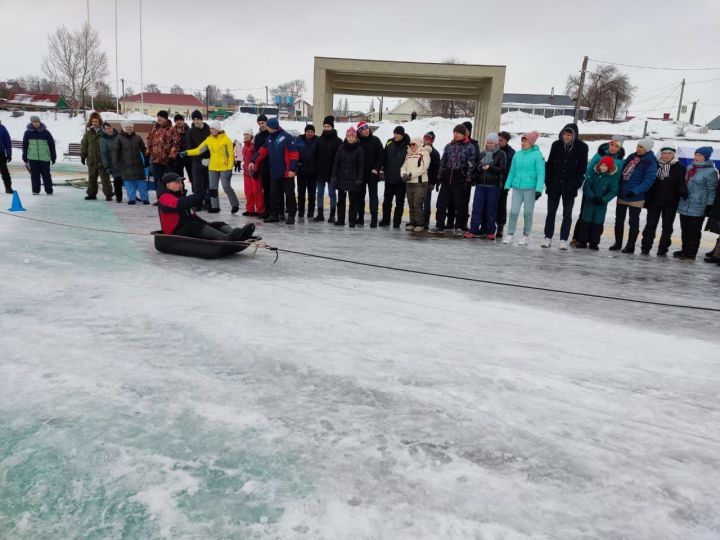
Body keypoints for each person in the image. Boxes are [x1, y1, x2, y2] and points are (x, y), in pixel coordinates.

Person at [157, 172, 255, 241]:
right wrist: (202, 195)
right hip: (173, 233)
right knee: (193, 226)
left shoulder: (178, 196)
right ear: (168, 185)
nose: (181, 184)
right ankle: (227, 238)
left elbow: (192, 216)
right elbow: (180, 203)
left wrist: (208, 225)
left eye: (181, 182)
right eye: (177, 182)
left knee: (216, 224)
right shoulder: (164, 198)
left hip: (184, 228)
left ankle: (238, 234)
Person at [541, 123, 588, 250]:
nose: (566, 137)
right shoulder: (556, 145)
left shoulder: (582, 147)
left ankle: (563, 239)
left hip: (569, 187)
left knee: (567, 214)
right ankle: (548, 237)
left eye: (569, 135)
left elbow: (582, 168)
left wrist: (576, 184)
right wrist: (548, 183)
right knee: (551, 212)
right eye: (565, 134)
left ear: (574, 136)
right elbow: (550, 164)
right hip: (554, 185)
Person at [573, 135, 626, 244]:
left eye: (616, 146)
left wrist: (606, 197)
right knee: (584, 213)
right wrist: (588, 187)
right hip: (591, 190)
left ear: (619, 148)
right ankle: (577, 237)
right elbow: (589, 170)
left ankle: (593, 240)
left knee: (598, 217)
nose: (612, 147)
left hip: (605, 192)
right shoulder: (599, 155)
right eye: (611, 144)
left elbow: (618, 176)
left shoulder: (620, 161)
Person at [610, 138, 657, 253]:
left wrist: (635, 191)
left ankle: (630, 245)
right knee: (619, 220)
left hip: (636, 196)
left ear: (647, 149)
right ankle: (618, 243)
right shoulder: (632, 157)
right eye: (638, 146)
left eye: (641, 147)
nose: (638, 149)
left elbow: (649, 180)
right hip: (623, 193)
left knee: (633, 221)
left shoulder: (651, 162)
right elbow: (622, 173)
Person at [182, 121, 239, 214]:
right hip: (212, 167)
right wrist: (187, 152)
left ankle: (235, 204)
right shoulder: (209, 139)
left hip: (224, 167)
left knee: (226, 187)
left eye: (213, 129)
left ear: (218, 129)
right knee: (212, 188)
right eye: (210, 129)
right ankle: (215, 207)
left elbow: (231, 155)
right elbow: (199, 150)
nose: (211, 130)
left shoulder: (226, 139)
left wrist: (229, 168)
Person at [249, 117, 299, 225]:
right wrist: (253, 160)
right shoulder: (270, 138)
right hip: (275, 173)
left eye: (267, 126)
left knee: (289, 195)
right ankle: (274, 215)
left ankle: (291, 216)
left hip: (286, 173)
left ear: (272, 127)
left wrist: (292, 169)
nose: (265, 127)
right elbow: (262, 151)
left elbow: (294, 154)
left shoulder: (287, 137)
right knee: (274, 195)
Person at [431, 124, 476, 234]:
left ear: (464, 135)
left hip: (459, 179)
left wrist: (468, 179)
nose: (455, 135)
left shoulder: (470, 147)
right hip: (447, 178)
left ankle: (459, 226)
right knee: (441, 203)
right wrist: (439, 177)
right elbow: (443, 162)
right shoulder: (449, 146)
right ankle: (439, 224)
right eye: (454, 133)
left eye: (458, 133)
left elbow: (471, 165)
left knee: (459, 205)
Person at [675, 146, 718, 260]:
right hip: (685, 203)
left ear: (706, 157)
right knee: (685, 230)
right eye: (696, 155)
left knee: (694, 231)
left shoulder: (711, 171)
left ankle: (691, 253)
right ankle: (684, 250)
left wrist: (709, 205)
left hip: (699, 205)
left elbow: (712, 190)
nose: (697, 157)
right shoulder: (690, 167)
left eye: (700, 155)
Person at [502, 130, 544, 246]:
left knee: (528, 213)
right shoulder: (518, 154)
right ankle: (510, 234)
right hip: (517, 188)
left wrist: (539, 190)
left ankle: (526, 236)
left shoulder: (537, 155)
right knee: (514, 211)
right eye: (522, 141)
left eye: (525, 141)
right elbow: (512, 171)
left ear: (531, 142)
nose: (523, 143)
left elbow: (541, 174)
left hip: (530, 188)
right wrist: (507, 186)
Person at [640, 146, 684, 256]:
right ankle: (645, 247)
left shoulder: (680, 168)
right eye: (664, 153)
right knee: (650, 225)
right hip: (654, 201)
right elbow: (649, 182)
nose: (666, 156)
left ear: (674, 155)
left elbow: (681, 184)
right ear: (661, 154)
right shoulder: (654, 165)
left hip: (670, 203)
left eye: (669, 153)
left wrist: (682, 190)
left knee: (667, 227)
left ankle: (663, 249)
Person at [465, 132, 506, 240]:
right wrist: (479, 168)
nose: (489, 144)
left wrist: (490, 167)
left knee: (491, 210)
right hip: (481, 185)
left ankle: (490, 231)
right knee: (476, 209)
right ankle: (473, 230)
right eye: (487, 142)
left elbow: (501, 169)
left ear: (496, 143)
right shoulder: (482, 154)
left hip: (493, 186)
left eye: (491, 142)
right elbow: (476, 168)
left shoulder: (501, 154)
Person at [577, 156, 620, 250]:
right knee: (585, 222)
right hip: (590, 202)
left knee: (597, 224)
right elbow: (586, 186)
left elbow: (613, 191)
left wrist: (604, 199)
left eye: (605, 166)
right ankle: (582, 241)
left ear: (609, 167)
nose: (603, 167)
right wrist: (592, 196)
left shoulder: (612, 178)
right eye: (602, 165)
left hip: (601, 205)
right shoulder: (593, 174)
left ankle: (594, 243)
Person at [331, 127, 365, 227]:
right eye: (349, 136)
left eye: (352, 136)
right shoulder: (341, 147)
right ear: (346, 137)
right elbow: (336, 163)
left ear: (355, 137)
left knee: (353, 202)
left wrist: (359, 178)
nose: (350, 138)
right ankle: (340, 220)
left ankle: (352, 221)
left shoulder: (359, 149)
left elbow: (361, 165)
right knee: (340, 202)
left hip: (353, 179)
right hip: (341, 178)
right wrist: (334, 175)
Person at [146, 110, 181, 203]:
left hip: (167, 160)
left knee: (168, 181)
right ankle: (160, 199)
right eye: (158, 117)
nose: (159, 119)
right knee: (158, 180)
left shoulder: (172, 129)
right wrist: (148, 153)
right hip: (156, 160)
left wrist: (172, 156)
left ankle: (170, 199)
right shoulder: (153, 128)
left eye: (161, 117)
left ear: (166, 118)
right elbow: (149, 141)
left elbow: (176, 143)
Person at [112, 120, 149, 205]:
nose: (129, 129)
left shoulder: (138, 137)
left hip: (138, 164)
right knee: (129, 183)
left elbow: (144, 150)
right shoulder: (118, 138)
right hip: (125, 165)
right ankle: (131, 199)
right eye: (127, 127)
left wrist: (146, 160)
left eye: (130, 127)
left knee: (141, 183)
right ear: (123, 128)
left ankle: (145, 198)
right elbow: (115, 152)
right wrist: (116, 164)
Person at [380, 126, 410, 228]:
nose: (395, 135)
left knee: (399, 202)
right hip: (389, 178)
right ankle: (385, 220)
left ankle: (397, 222)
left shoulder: (407, 145)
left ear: (402, 135)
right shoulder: (389, 142)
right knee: (387, 201)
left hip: (401, 180)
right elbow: (384, 157)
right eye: (394, 133)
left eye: (398, 134)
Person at [313, 116, 341, 223]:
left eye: (328, 126)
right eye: (324, 126)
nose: (326, 128)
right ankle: (320, 214)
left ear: (332, 127)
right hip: (320, 172)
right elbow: (315, 156)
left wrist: (336, 172)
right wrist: (316, 170)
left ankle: (332, 215)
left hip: (332, 173)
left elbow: (339, 159)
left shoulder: (338, 141)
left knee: (332, 194)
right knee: (319, 193)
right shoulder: (319, 140)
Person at [80, 112, 114, 201]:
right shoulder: (88, 133)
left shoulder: (104, 132)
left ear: (100, 121)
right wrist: (83, 156)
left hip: (103, 160)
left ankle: (108, 194)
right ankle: (91, 194)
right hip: (92, 160)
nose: (95, 123)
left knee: (105, 179)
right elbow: (84, 145)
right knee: (92, 178)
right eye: (93, 121)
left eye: (96, 121)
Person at [356, 121, 384, 227]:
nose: (366, 130)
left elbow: (381, 155)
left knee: (373, 197)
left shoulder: (375, 140)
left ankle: (374, 219)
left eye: (367, 128)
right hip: (360, 175)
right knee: (360, 197)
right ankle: (360, 217)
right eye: (363, 129)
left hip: (372, 173)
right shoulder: (357, 142)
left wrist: (376, 168)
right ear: (359, 132)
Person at [400, 138, 430, 232]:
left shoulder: (424, 153)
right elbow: (403, 166)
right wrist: (403, 174)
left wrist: (411, 175)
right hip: (409, 183)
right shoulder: (408, 155)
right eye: (410, 144)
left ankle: (420, 224)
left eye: (413, 144)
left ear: (418, 144)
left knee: (418, 204)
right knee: (411, 204)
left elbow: (424, 167)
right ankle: (412, 222)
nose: (412, 146)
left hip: (420, 183)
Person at [22, 115, 56, 195]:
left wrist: (53, 156)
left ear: (39, 122)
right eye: (34, 122)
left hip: (45, 157)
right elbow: (25, 145)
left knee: (46, 175)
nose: (36, 123)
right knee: (34, 175)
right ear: (31, 123)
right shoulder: (27, 133)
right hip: (32, 157)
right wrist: (25, 155)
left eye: (37, 122)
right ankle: (36, 190)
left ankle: (49, 190)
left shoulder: (46, 133)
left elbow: (52, 145)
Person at [187, 110, 211, 211]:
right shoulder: (191, 132)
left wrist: (209, 158)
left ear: (201, 119)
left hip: (208, 160)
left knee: (208, 183)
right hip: (196, 161)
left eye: (198, 119)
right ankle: (198, 203)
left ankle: (208, 202)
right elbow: (190, 147)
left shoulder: (209, 130)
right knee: (197, 183)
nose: (196, 121)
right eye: (194, 119)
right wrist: (197, 159)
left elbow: (212, 145)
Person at [296, 124, 318, 219]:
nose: (309, 133)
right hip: (301, 172)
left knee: (312, 194)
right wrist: (297, 165)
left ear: (314, 133)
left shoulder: (318, 141)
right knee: (301, 194)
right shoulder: (299, 140)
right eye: (308, 131)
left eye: (311, 132)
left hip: (313, 172)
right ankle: (301, 212)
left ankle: (311, 212)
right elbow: (295, 154)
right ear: (305, 132)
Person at [253, 114, 273, 218]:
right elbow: (256, 153)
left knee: (274, 189)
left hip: (273, 165)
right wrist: (256, 168)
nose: (261, 125)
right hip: (263, 166)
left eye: (263, 123)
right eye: (259, 123)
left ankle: (277, 210)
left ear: (267, 122)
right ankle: (267, 210)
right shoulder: (258, 137)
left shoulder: (272, 134)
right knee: (266, 190)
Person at [496, 131, 515, 238]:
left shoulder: (511, 153)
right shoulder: (493, 149)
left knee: (501, 205)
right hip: (492, 181)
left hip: (504, 182)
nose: (498, 142)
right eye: (497, 140)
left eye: (501, 140)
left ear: (506, 141)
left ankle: (500, 226)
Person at [99, 122, 123, 203]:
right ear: (104, 130)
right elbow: (103, 154)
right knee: (117, 180)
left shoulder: (119, 136)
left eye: (109, 128)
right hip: (113, 163)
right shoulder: (103, 140)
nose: (109, 130)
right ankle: (119, 198)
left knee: (129, 180)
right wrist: (107, 166)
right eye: (106, 129)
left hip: (123, 161)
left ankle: (133, 197)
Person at [241, 129, 263, 217]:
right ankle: (250, 209)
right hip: (246, 172)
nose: (246, 136)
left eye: (248, 134)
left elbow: (257, 158)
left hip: (254, 172)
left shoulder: (254, 145)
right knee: (248, 192)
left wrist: (256, 170)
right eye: (245, 134)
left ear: (251, 136)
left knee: (256, 191)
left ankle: (260, 210)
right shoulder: (245, 146)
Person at [422, 131, 441, 230]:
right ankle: (417, 220)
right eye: (425, 138)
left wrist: (433, 183)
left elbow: (436, 170)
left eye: (428, 139)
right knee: (417, 202)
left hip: (428, 181)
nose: (426, 140)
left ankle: (425, 221)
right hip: (418, 180)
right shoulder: (419, 149)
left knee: (426, 203)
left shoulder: (435, 153)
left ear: (432, 141)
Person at [172, 114, 192, 182]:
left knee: (192, 176)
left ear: (183, 121)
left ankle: (196, 191)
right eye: (177, 120)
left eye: (181, 120)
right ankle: (181, 191)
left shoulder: (189, 130)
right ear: (175, 121)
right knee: (179, 177)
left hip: (188, 156)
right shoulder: (172, 131)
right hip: (177, 157)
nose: (179, 122)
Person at [0, 119, 13, 193]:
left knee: (5, 172)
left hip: (1, 154)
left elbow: (8, 142)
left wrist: (9, 154)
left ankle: (8, 188)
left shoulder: (2, 128)